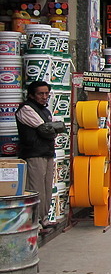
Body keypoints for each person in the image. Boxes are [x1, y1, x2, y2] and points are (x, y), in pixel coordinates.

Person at [15, 81, 62, 228]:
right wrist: (51, 130)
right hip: (34, 154)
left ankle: (44, 220)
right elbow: (45, 129)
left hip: (46, 153)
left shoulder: (45, 110)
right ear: (31, 95)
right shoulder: (26, 109)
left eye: (46, 93)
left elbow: (59, 126)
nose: (44, 96)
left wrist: (51, 129)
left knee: (47, 187)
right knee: (36, 188)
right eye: (40, 93)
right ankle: (35, 223)